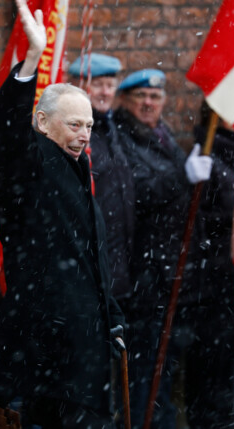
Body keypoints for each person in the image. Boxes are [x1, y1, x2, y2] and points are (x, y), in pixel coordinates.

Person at [0, 0, 126, 429]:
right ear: (42, 122)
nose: (84, 135)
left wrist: (112, 317)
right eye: (74, 125)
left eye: (90, 126)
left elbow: (87, 260)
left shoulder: (74, 171)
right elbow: (6, 126)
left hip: (79, 354)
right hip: (44, 353)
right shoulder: (31, 160)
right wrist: (31, 60)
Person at [113, 68, 212, 428]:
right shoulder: (122, 136)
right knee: (145, 369)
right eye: (141, 97)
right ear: (125, 100)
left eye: (155, 97)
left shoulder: (161, 135)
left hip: (169, 273)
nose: (149, 103)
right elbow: (137, 190)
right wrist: (180, 176)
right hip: (145, 273)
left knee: (163, 367)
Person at [176, 105, 234, 428]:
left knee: (229, 363)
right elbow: (198, 220)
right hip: (210, 278)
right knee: (209, 364)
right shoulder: (204, 155)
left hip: (232, 276)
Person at [68, 53, 135, 301]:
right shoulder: (74, 134)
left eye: (110, 84)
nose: (105, 92)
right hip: (90, 265)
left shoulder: (110, 128)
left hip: (117, 262)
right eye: (97, 85)